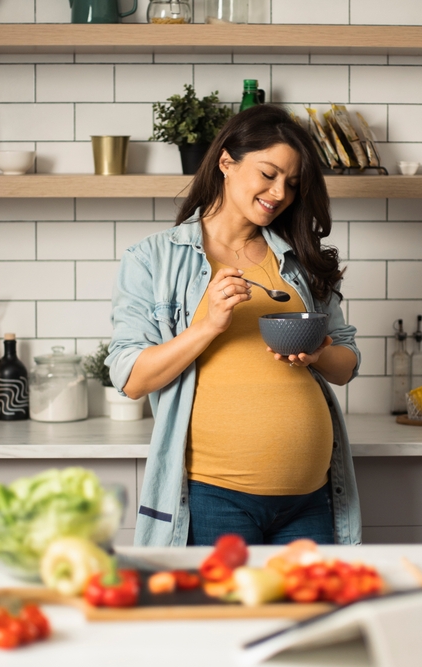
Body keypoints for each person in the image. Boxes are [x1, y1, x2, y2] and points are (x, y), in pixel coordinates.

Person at [107, 104, 362, 547]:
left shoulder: (301, 260)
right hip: (215, 498)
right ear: (226, 161)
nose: (279, 192)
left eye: (292, 183)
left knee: (317, 616)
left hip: (310, 497)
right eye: (268, 174)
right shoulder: (154, 259)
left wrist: (319, 353)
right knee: (229, 617)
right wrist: (206, 326)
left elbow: (346, 365)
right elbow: (130, 378)